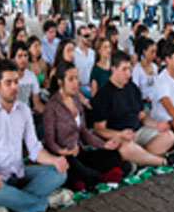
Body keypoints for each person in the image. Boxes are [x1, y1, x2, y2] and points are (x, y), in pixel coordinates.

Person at [0, 60, 72, 212]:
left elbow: (34, 148)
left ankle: (11, 204)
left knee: (60, 173)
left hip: (20, 174)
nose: (14, 87)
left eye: (16, 82)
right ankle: (45, 202)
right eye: (8, 83)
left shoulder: (23, 110)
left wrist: (55, 160)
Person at [92, 50, 174, 169]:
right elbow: (99, 130)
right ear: (114, 69)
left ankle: (140, 159)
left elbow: (142, 117)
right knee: (126, 150)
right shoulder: (103, 95)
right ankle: (163, 161)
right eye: (124, 70)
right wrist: (121, 134)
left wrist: (157, 125)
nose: (128, 73)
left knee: (169, 136)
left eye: (130, 69)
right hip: (120, 137)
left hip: (138, 132)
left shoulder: (132, 88)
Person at [44, 61, 122, 191]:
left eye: (76, 78)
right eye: (71, 79)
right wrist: (62, 151)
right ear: (60, 82)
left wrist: (104, 145)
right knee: (73, 165)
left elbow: (84, 132)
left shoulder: (75, 101)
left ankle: (80, 180)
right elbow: (50, 142)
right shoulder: (52, 107)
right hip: (64, 157)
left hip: (79, 153)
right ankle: (100, 177)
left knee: (112, 154)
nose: (76, 83)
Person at [10, 41, 45, 114]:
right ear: (13, 59)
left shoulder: (31, 76)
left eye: (25, 56)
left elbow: (37, 104)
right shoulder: (7, 77)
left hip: (26, 116)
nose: (23, 59)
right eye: (20, 56)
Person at [132, 37, 159, 105]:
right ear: (144, 52)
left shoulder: (155, 67)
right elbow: (135, 90)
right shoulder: (138, 69)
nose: (154, 55)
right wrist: (144, 98)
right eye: (152, 52)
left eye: (155, 52)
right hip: (143, 102)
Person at [74, 26, 95, 99]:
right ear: (79, 37)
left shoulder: (93, 53)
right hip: (80, 88)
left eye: (90, 35)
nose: (89, 38)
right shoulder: (74, 54)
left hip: (93, 86)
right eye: (86, 36)